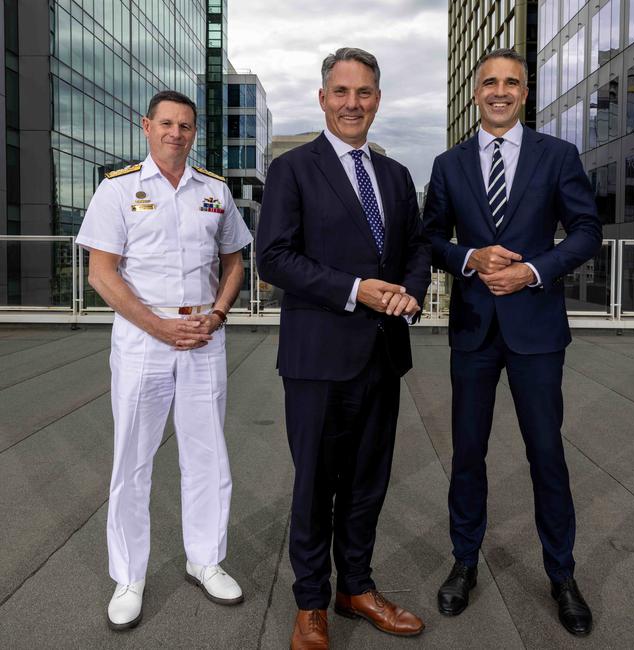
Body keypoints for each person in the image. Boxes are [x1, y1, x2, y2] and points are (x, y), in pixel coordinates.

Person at [422, 48, 602, 637]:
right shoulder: (449, 165)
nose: (500, 91)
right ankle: (465, 562)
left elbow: (586, 231)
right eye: (490, 83)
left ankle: (562, 574)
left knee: (546, 454)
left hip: (536, 328)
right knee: (467, 455)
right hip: (475, 329)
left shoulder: (558, 156)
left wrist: (534, 270)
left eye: (512, 83)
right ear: (477, 92)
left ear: (525, 93)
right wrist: (469, 257)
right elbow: (429, 239)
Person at [256, 47, 431, 649]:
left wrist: (409, 290)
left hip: (382, 354)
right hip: (317, 356)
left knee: (367, 481)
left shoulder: (397, 175)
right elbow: (273, 257)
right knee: (314, 485)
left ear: (377, 99)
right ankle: (311, 604)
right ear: (323, 97)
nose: (352, 103)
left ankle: (356, 587)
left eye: (364, 92)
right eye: (340, 92)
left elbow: (416, 248)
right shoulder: (293, 169)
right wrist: (357, 290)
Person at [76, 90, 252, 630]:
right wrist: (157, 326)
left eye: (187, 126)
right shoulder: (119, 189)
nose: (177, 133)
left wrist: (218, 315)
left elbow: (235, 262)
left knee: (207, 456)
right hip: (143, 338)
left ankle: (206, 559)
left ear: (195, 132)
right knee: (132, 458)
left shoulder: (215, 191)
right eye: (167, 124)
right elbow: (100, 274)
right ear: (146, 126)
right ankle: (129, 576)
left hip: (202, 335)